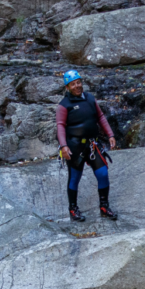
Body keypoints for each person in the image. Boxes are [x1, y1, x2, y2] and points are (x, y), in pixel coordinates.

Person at [56, 70, 118, 222]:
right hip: (75, 147)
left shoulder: (90, 99)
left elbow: (101, 117)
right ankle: (73, 209)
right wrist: (63, 146)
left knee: (103, 173)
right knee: (74, 178)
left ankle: (104, 206)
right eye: (73, 84)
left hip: (92, 144)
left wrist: (110, 134)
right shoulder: (64, 105)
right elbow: (60, 126)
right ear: (67, 87)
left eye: (78, 82)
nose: (77, 86)